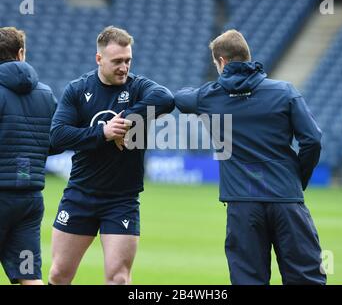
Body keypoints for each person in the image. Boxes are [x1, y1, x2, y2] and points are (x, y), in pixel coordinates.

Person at [174, 29, 326, 285]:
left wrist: (214, 89)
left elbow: (178, 97)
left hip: (242, 205)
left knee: (248, 280)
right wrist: (297, 179)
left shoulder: (209, 97)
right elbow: (312, 140)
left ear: (221, 62)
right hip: (286, 199)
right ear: (248, 56)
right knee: (305, 278)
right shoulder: (285, 92)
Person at [49, 26, 174, 285]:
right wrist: (103, 133)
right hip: (80, 195)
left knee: (118, 278)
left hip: (121, 200)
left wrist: (126, 120)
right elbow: (57, 136)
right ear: (99, 60)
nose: (124, 67)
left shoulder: (138, 87)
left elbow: (166, 98)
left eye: (128, 60)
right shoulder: (77, 90)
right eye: (117, 61)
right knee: (59, 275)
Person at [0, 27, 57, 285]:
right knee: (30, 277)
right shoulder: (45, 94)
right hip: (29, 199)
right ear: (21, 53)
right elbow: (57, 141)